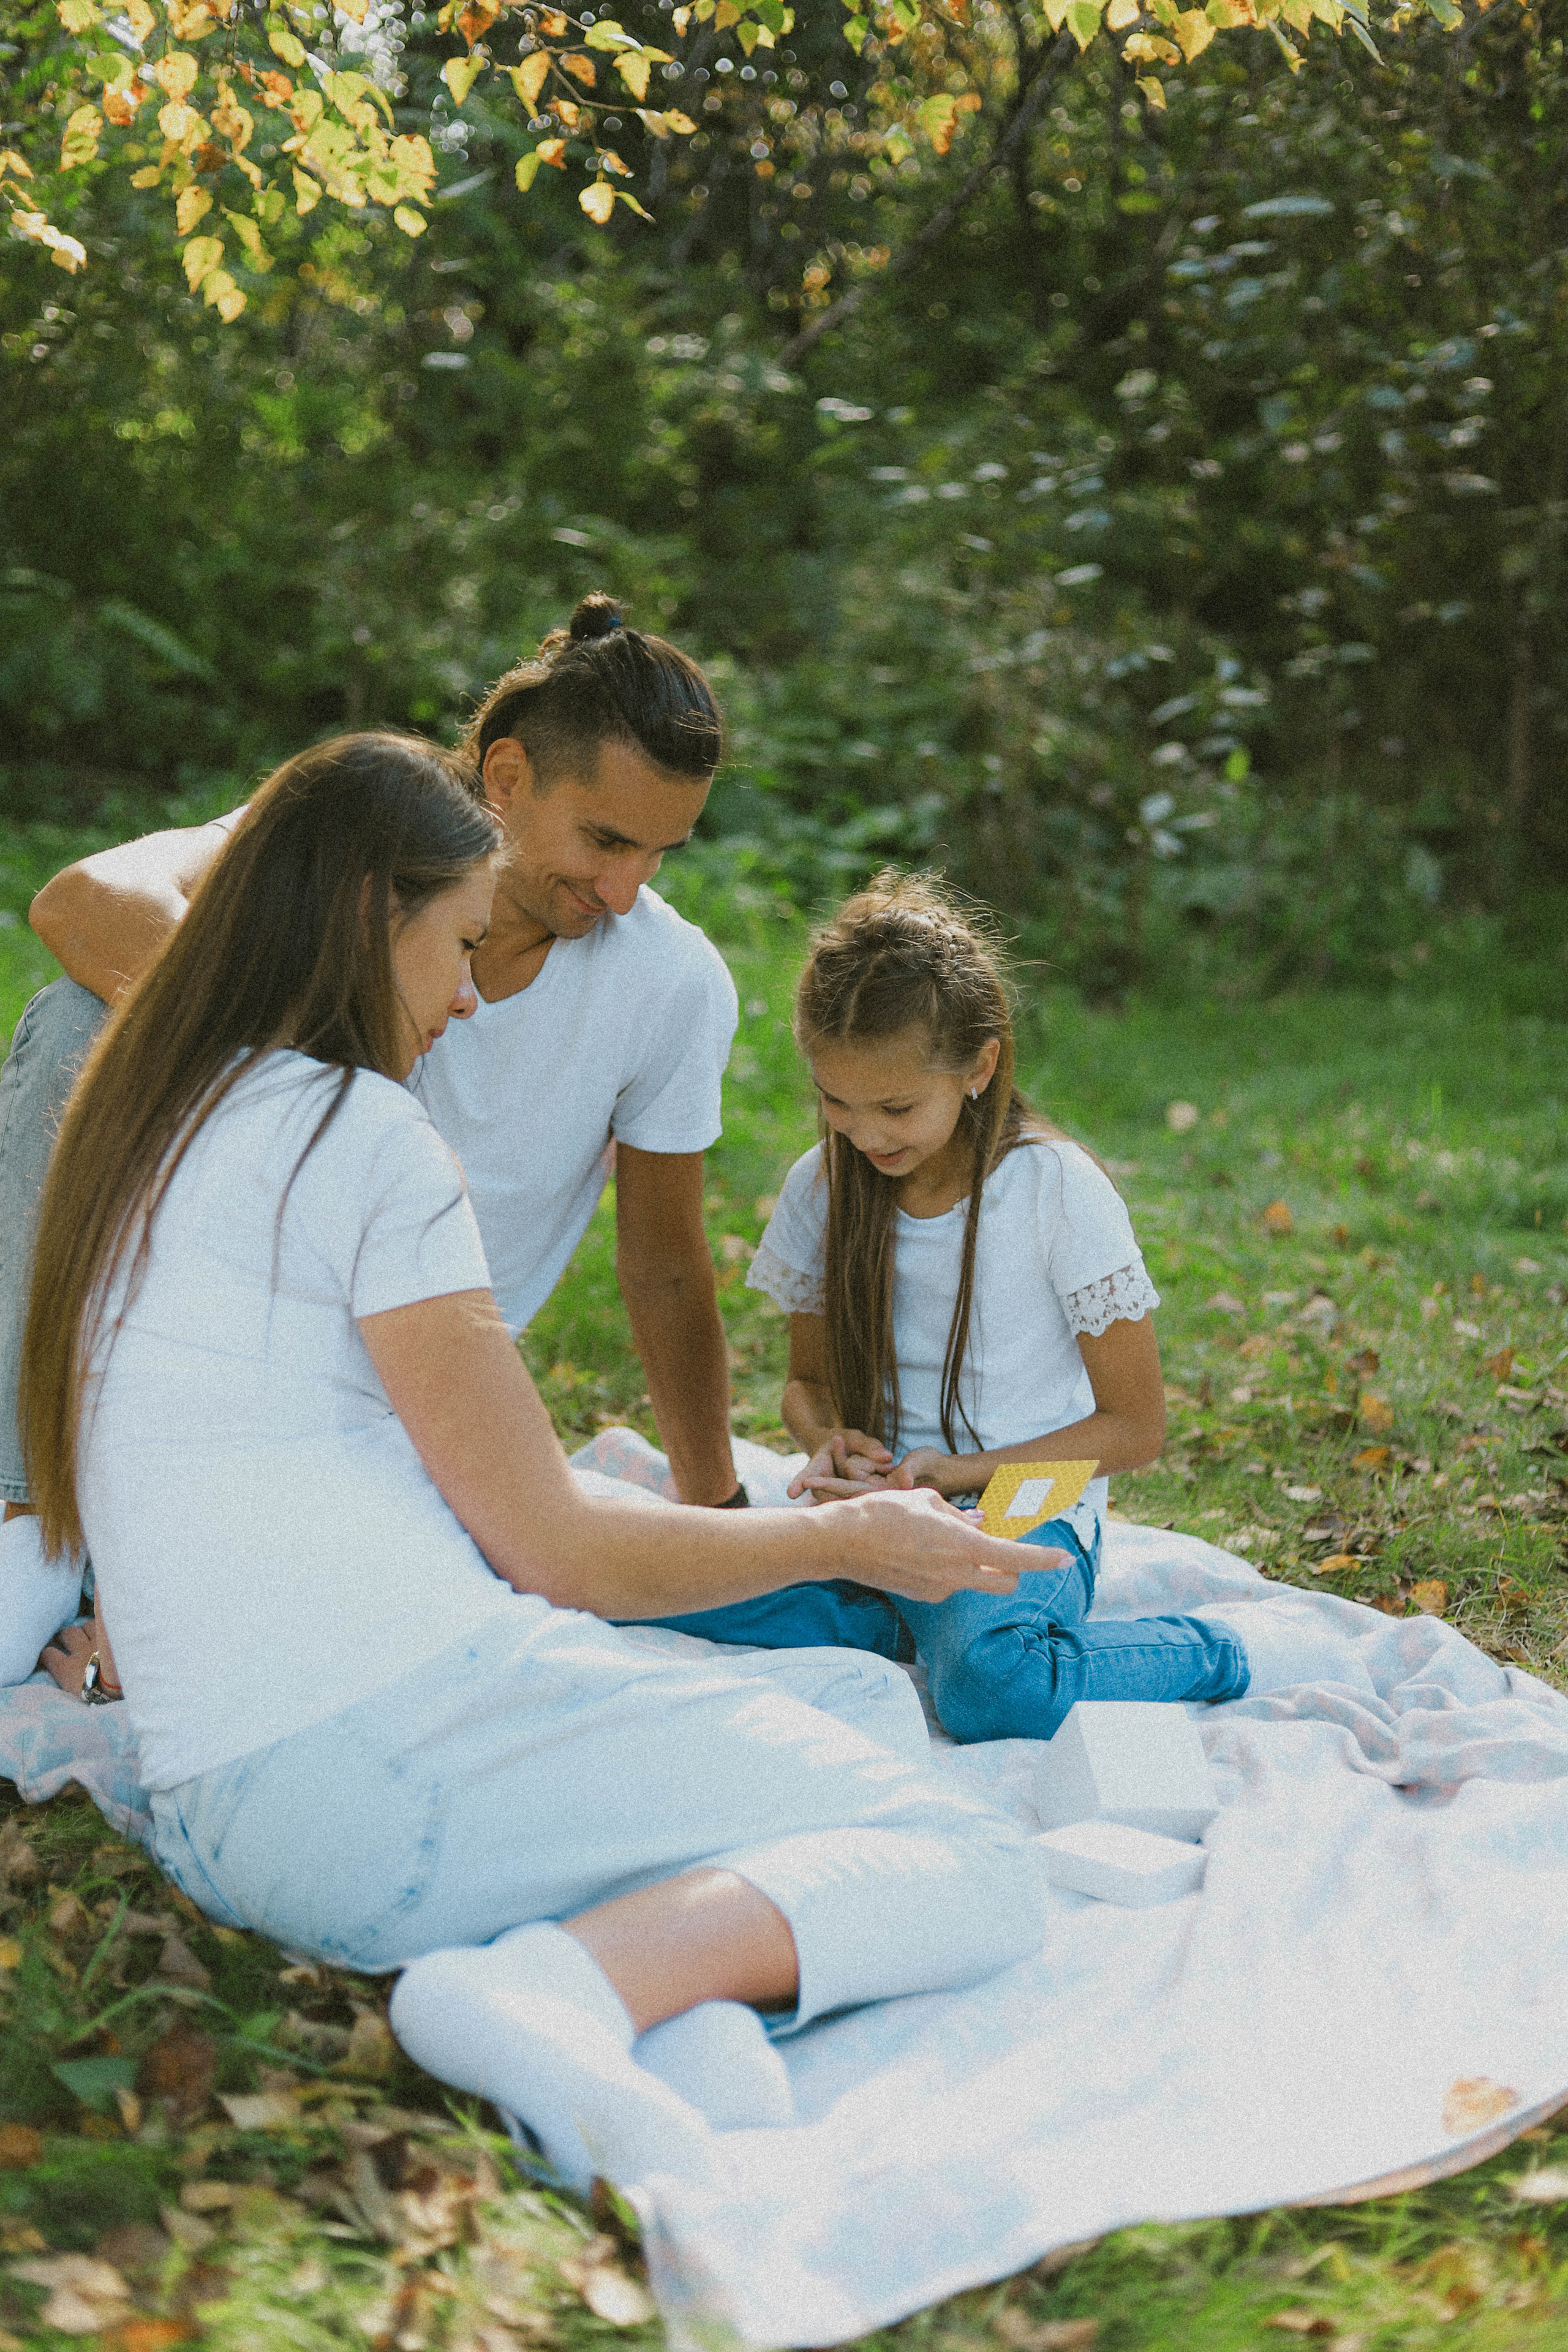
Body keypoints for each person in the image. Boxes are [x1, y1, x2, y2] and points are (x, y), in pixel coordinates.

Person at [16, 736, 1046, 2192]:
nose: (459, 994)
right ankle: (544, 1997)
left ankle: (670, 2006)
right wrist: (851, 1540)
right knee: (974, 1861)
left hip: (227, 1795)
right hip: (378, 1773)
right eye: (452, 943)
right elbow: (558, 1553)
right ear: (370, 917)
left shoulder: (156, 1107)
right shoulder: (361, 1134)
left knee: (854, 1708)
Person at [1, 595, 745, 1556]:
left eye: (658, 854)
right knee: (76, 1024)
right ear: (509, 774)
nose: (625, 889)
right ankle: (25, 1505)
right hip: (230, 1335)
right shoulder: (368, 840)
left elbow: (667, 1269)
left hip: (405, 1408)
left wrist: (718, 1509)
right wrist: (299, 1057)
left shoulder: (674, 984)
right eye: (606, 840)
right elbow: (83, 904)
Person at [637, 874, 1342, 1735]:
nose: (866, 1135)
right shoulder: (821, 1186)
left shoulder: (1053, 1189)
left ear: (979, 1064)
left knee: (991, 1685)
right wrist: (832, 1444)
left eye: (897, 1106)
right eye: (836, 1102)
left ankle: (1218, 1651)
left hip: (1022, 1500)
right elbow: (806, 1383)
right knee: (663, 1594)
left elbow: (1134, 1428)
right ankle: (908, 1614)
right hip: (884, 1510)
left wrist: (954, 1476)